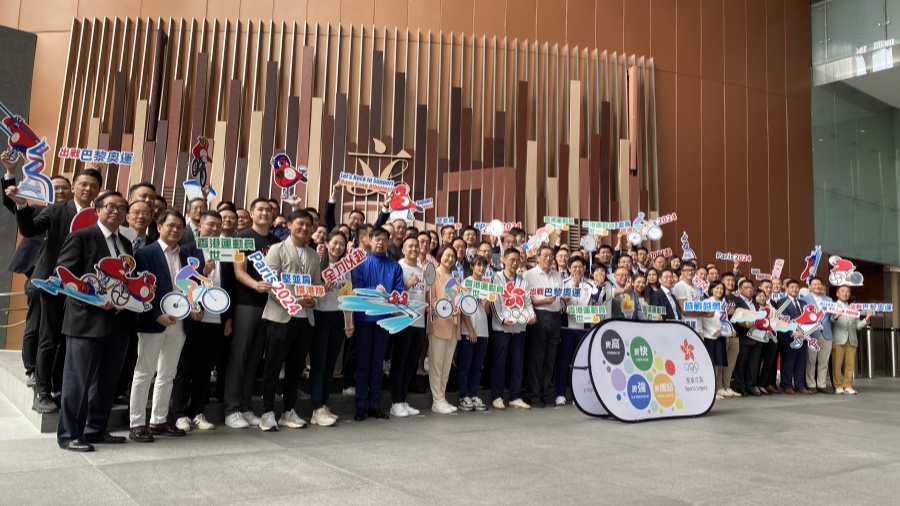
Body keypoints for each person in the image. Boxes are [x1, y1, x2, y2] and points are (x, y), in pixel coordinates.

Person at [12, 168, 103, 413]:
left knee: (67, 339)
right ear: (73, 187)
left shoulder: (100, 216)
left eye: (93, 186)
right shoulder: (57, 210)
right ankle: (42, 392)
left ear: (97, 191)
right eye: (83, 184)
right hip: (53, 283)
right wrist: (22, 206)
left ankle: (59, 388)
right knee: (48, 339)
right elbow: (30, 230)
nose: (87, 189)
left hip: (82, 289)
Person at [52, 191, 135, 451]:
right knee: (78, 381)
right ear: (97, 210)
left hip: (119, 322)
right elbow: (64, 276)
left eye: (121, 208)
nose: (116, 211)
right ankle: (69, 435)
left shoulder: (126, 245)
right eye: (110, 206)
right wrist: (94, 299)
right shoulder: (81, 237)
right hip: (86, 320)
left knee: (107, 380)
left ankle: (96, 428)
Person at [1, 150, 72, 388]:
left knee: (56, 330)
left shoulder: (77, 217)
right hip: (37, 276)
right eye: (56, 187)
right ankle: (31, 368)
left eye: (64, 187)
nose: (60, 191)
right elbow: (12, 201)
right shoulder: (37, 210)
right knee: (35, 323)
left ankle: (51, 371)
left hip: (64, 281)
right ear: (47, 190)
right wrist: (11, 172)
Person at [129, 210, 199, 442]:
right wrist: (156, 314)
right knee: (144, 372)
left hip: (180, 322)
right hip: (153, 320)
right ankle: (137, 423)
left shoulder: (187, 254)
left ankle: (159, 420)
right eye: (170, 225)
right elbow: (139, 288)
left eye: (179, 226)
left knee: (168, 372)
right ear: (159, 227)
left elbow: (191, 285)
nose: (175, 230)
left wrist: (195, 306)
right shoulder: (145, 253)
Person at [257, 210, 321, 431]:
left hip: (305, 320)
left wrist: (313, 299)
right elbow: (270, 282)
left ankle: (288, 411)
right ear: (290, 224)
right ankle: (267, 412)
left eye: (308, 225)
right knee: (273, 367)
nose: (304, 228)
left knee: (295, 368)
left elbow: (315, 285)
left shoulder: (313, 255)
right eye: (300, 224)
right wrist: (295, 300)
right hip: (281, 316)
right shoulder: (277, 249)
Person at [172, 211, 234, 432]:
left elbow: (230, 287)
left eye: (219, 225)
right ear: (200, 225)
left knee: (205, 368)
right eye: (211, 225)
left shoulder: (226, 251)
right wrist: (202, 271)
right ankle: (179, 413)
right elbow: (180, 281)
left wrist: (228, 318)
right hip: (193, 316)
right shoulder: (187, 249)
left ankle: (197, 411)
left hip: (216, 319)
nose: (215, 229)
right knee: (185, 367)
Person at [223, 198, 280, 429]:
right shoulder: (241, 238)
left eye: (268, 210)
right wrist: (255, 285)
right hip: (247, 303)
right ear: (252, 213)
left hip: (271, 305)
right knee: (240, 356)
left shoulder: (277, 241)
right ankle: (231, 409)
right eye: (260, 209)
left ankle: (246, 407)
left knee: (255, 358)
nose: (265, 213)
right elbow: (239, 271)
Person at [351, 226, 404, 421]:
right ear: (369, 241)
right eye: (377, 239)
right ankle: (360, 405)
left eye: (384, 239)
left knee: (377, 364)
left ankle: (375, 405)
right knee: (363, 363)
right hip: (365, 318)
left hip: (385, 320)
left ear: (389, 242)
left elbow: (399, 291)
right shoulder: (361, 263)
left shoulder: (394, 266)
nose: (380, 242)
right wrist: (375, 290)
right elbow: (357, 288)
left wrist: (392, 296)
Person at [309, 231, 351, 427]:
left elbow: (347, 295)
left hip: (338, 317)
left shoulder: (346, 267)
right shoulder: (317, 263)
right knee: (319, 363)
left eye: (342, 244)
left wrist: (349, 322)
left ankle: (323, 404)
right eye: (335, 243)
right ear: (326, 243)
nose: (338, 247)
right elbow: (307, 291)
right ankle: (316, 407)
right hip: (319, 315)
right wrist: (321, 289)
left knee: (330, 363)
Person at [490, 247, 535, 410]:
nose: (515, 263)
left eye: (518, 259)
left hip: (520, 328)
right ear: (503, 259)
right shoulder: (496, 278)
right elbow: (494, 303)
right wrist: (502, 319)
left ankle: (515, 396)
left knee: (518, 363)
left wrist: (531, 316)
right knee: (499, 363)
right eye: (512, 259)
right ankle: (497, 396)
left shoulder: (523, 281)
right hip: (501, 328)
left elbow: (528, 302)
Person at [390, 236, 426, 417]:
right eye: (409, 246)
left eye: (416, 246)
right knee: (399, 362)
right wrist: (407, 285)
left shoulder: (422, 270)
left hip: (419, 322)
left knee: (411, 363)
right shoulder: (398, 267)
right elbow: (392, 295)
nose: (414, 248)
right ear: (403, 249)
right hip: (403, 320)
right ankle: (395, 402)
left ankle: (403, 400)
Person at [523, 245, 564, 407]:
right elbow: (525, 299)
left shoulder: (557, 275)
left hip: (555, 317)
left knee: (550, 358)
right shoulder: (528, 275)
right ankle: (533, 395)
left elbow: (560, 297)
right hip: (539, 316)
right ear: (537, 257)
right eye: (545, 255)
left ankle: (544, 393)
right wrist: (542, 301)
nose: (548, 258)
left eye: (551, 256)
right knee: (537, 357)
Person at [427, 245, 462, 414]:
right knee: (437, 364)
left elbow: (460, 299)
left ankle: (442, 396)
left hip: (454, 324)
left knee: (446, 365)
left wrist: (458, 308)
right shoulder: (434, 274)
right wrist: (442, 308)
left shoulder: (456, 277)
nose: (450, 259)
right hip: (439, 323)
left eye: (452, 256)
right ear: (440, 256)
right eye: (447, 255)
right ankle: (437, 399)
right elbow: (431, 299)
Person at [556, 256, 593, 405]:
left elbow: (594, 305)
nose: (578, 270)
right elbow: (557, 304)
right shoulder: (562, 284)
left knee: (579, 362)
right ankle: (560, 393)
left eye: (580, 267)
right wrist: (565, 309)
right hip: (566, 327)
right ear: (569, 269)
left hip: (583, 328)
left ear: (584, 269)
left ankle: (577, 394)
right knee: (564, 360)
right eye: (575, 267)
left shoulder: (591, 286)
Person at [458, 256, 491, 412]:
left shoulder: (486, 285)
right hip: (468, 330)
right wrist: (470, 329)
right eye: (478, 265)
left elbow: (486, 311)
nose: (481, 268)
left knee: (478, 366)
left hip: (483, 329)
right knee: (465, 365)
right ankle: (463, 396)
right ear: (471, 266)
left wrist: (487, 303)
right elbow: (463, 308)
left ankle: (474, 394)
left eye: (484, 266)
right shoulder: (466, 283)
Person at [831, 286, 872, 394]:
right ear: (837, 294)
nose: (845, 293)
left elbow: (858, 326)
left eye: (848, 292)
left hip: (852, 339)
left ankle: (848, 385)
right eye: (843, 291)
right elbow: (829, 324)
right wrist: (831, 340)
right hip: (838, 339)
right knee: (837, 364)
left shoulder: (853, 308)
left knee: (850, 364)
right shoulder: (832, 306)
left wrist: (867, 319)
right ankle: (838, 386)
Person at [776, 280, 812, 395]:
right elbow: (782, 319)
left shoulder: (803, 303)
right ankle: (787, 385)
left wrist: (805, 332)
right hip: (788, 337)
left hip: (803, 336)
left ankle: (800, 385)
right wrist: (792, 332)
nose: (794, 289)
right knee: (788, 361)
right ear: (786, 288)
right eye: (791, 287)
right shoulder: (782, 302)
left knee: (801, 361)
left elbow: (808, 319)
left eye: (797, 287)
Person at [729, 279, 764, 397]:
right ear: (740, 290)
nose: (749, 290)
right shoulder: (737, 301)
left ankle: (751, 385)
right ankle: (740, 386)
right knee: (742, 363)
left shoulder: (755, 303)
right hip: (744, 336)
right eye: (746, 288)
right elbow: (737, 318)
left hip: (757, 337)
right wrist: (746, 323)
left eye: (751, 288)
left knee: (753, 364)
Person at [699, 281, 731, 400]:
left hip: (721, 336)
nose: (719, 291)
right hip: (709, 336)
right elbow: (703, 319)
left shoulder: (723, 303)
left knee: (718, 364)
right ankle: (709, 389)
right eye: (717, 288)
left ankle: (715, 389)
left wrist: (724, 331)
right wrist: (713, 331)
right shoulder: (706, 302)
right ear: (711, 289)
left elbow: (725, 320)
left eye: (721, 289)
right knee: (710, 364)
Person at [803, 277, 834, 394]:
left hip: (826, 333)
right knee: (811, 360)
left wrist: (835, 317)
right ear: (810, 286)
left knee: (823, 361)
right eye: (814, 284)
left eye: (819, 284)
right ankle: (811, 384)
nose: (817, 286)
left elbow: (831, 318)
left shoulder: (829, 300)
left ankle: (822, 384)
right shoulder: (805, 300)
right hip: (812, 333)